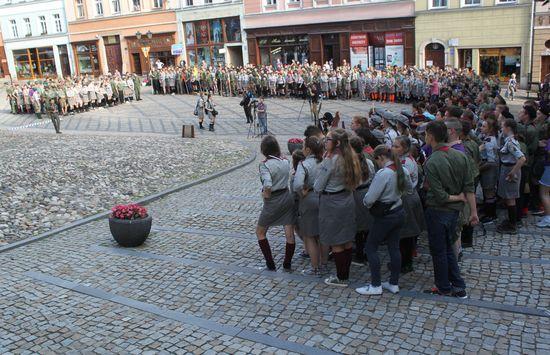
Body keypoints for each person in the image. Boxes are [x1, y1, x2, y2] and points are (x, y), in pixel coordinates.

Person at [422, 121, 478, 298]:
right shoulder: (460, 156)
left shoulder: (432, 162)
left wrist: (457, 197)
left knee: (439, 250)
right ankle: (459, 286)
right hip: (455, 212)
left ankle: (443, 286)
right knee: (448, 249)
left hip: (439, 210)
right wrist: (474, 212)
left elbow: (439, 195)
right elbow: (469, 186)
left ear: (430, 136)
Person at [356, 145, 411, 296]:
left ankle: (375, 285)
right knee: (394, 247)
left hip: (385, 216)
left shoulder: (384, 173)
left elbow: (370, 198)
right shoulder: (403, 170)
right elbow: (409, 188)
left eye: (377, 160)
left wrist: (367, 202)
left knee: (371, 247)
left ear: (381, 158)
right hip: (399, 211)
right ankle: (393, 283)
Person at [314, 129, 362, 287]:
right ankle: (345, 274)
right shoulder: (350, 157)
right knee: (347, 240)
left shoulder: (331, 161)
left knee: (336, 242)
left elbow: (318, 186)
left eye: (328, 139)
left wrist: (322, 165)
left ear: (337, 143)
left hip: (332, 203)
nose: (324, 142)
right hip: (347, 199)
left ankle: (341, 278)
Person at [256, 136, 296, 271]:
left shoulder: (265, 165)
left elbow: (267, 184)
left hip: (273, 200)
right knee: (289, 233)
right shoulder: (285, 161)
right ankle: (287, 263)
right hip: (286, 196)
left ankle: (270, 263)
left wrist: (265, 195)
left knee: (260, 232)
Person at [392, 136, 425, 274]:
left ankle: (405, 263)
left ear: (405, 149)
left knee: (405, 233)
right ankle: (404, 261)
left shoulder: (405, 163)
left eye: (396, 146)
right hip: (408, 197)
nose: (393, 148)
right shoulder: (403, 160)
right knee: (405, 233)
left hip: (407, 198)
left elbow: (399, 182)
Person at [293, 137, 324, 275]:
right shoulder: (325, 161)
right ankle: (324, 262)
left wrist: (301, 192)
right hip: (324, 197)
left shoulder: (304, 164)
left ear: (308, 150)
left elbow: (297, 184)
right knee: (322, 234)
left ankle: (315, 266)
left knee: (310, 235)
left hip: (309, 198)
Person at [496, 119, 527, 234]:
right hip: (507, 168)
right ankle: (510, 221)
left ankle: (512, 225)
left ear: (508, 128)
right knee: (508, 197)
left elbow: (522, 159)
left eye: (503, 127)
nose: (501, 129)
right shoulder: (508, 140)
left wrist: (512, 172)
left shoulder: (510, 143)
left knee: (510, 198)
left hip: (510, 169)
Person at [349, 136, 375, 265]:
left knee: (358, 227)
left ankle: (359, 254)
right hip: (367, 192)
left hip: (356, 195)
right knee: (367, 224)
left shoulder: (351, 164)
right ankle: (368, 251)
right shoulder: (368, 162)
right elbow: (373, 176)